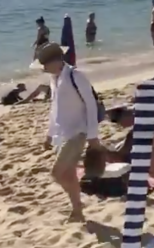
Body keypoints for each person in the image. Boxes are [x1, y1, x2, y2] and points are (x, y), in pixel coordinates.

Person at [36, 42, 104, 222]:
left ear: (57, 60)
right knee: (69, 173)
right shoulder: (54, 79)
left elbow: (90, 106)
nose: (43, 68)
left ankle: (78, 207)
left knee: (57, 173)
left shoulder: (76, 76)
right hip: (62, 133)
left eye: (45, 64)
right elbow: (54, 108)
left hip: (78, 132)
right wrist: (49, 134)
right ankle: (77, 210)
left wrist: (93, 136)